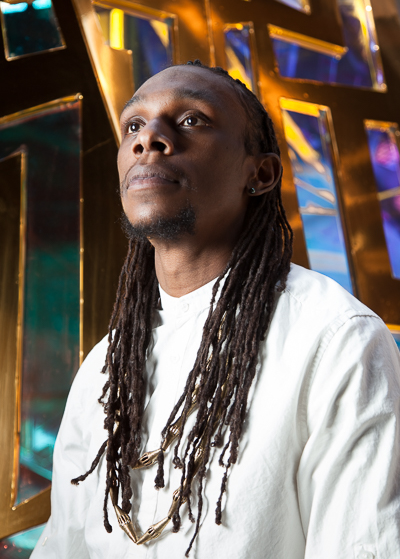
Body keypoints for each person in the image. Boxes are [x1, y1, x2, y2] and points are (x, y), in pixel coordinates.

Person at [32, 61, 400, 559]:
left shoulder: (336, 341)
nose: (148, 139)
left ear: (260, 174)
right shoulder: (104, 367)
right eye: (134, 125)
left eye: (192, 120)